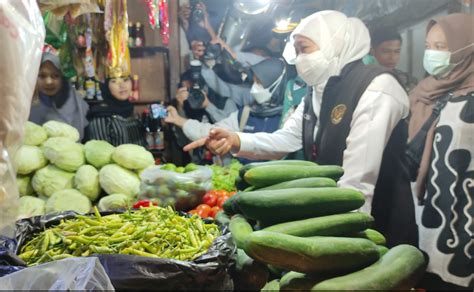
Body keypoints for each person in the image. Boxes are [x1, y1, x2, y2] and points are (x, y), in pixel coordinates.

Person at [185, 10, 418, 247]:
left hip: (377, 226)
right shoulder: (317, 92)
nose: (299, 58)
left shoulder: (376, 89)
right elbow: (286, 139)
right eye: (295, 51)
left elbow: (357, 183)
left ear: (334, 44)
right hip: (337, 217)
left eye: (304, 49)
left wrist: (341, 246)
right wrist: (235, 140)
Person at [408, 13, 473, 290]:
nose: (432, 54)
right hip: (426, 213)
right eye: (429, 46)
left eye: (442, 47)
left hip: (463, 221)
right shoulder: (424, 92)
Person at [166, 58, 287, 164]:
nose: (254, 88)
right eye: (254, 82)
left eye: (260, 83)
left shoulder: (289, 117)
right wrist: (179, 119)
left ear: (277, 85)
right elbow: (213, 131)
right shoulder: (245, 114)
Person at [29, 46, 89, 140]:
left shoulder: (78, 106)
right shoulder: (25, 106)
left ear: (63, 79)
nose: (49, 81)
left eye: (55, 76)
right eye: (42, 76)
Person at [85, 75, 146, 146]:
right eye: (114, 81)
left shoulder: (132, 112)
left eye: (125, 80)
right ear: (106, 86)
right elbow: (101, 154)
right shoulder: (101, 118)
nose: (122, 86)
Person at [368, 26, 418, 91]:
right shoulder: (364, 81)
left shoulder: (407, 81)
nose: (392, 57)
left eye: (397, 51)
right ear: (373, 51)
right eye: (386, 51)